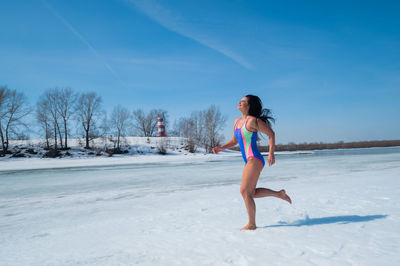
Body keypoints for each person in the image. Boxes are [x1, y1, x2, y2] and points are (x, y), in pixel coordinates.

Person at [212, 95, 292, 230]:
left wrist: (271, 153)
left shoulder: (253, 121)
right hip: (248, 160)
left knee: (244, 191)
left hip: (254, 159)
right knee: (251, 193)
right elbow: (234, 141)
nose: (240, 102)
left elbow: (271, 134)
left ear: (249, 106)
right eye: (240, 100)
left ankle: (252, 224)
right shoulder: (237, 122)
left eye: (243, 101)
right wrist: (221, 148)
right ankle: (279, 194)